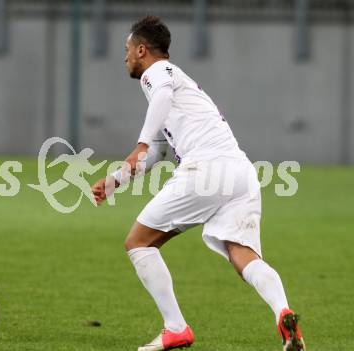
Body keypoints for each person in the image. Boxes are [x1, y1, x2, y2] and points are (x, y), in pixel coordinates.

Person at [91, 15, 305, 351]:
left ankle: (175, 328)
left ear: (142, 50)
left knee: (138, 243)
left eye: (128, 50)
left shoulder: (157, 73)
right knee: (242, 253)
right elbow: (160, 153)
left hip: (206, 168)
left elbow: (156, 115)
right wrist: (115, 181)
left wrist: (141, 142)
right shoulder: (181, 89)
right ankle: (284, 311)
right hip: (240, 172)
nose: (126, 57)